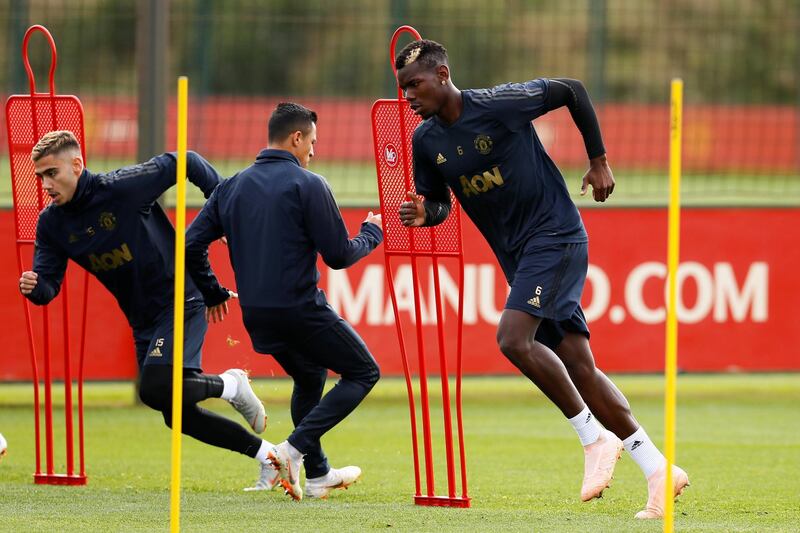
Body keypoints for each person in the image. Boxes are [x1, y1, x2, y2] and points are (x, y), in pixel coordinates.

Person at [395, 39, 689, 519]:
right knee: (580, 367)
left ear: (443, 74)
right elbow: (441, 202)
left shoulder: (499, 104)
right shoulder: (425, 141)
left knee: (512, 339)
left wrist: (598, 160)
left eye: (415, 84)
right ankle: (659, 471)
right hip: (518, 256)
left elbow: (572, 90)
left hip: (555, 237)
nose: (408, 95)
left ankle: (592, 437)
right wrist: (426, 212)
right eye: (402, 87)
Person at [18, 130, 276, 487]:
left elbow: (186, 161)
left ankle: (232, 384)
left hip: (181, 298)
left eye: (52, 173)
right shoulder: (52, 224)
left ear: (77, 165)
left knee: (154, 388)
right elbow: (48, 286)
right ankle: (270, 457)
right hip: (143, 319)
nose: (45, 184)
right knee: (176, 414)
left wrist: (224, 214)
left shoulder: (121, 188)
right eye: (40, 176)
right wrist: (34, 288)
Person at [185, 102, 383, 501]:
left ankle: (319, 473)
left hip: (258, 318)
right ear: (296, 138)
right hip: (301, 310)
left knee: (310, 377)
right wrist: (371, 233)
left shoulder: (231, 186)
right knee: (364, 372)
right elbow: (340, 255)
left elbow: (190, 244)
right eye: (312, 141)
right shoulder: (309, 184)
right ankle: (291, 450)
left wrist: (212, 291)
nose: (314, 151)